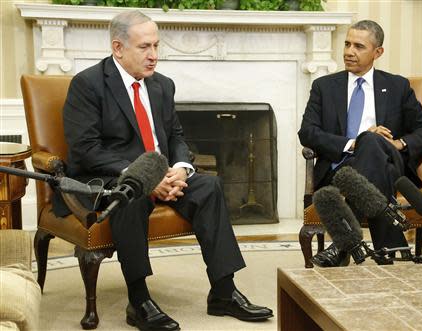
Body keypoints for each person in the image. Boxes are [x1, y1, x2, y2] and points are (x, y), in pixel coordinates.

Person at [59, 10, 272, 331]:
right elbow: (86, 151)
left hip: (163, 173)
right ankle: (139, 299)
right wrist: (146, 176)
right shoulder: (88, 85)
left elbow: (175, 137)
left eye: (157, 46)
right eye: (145, 47)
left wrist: (182, 169)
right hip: (114, 178)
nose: (154, 56)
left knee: (209, 186)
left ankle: (224, 292)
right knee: (130, 195)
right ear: (118, 47)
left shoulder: (162, 86)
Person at [298, 20, 422, 267]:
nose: (349, 51)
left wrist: (399, 143)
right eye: (347, 44)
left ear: (378, 52)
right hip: (340, 169)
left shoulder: (397, 86)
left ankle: (342, 244)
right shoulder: (324, 87)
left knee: (373, 143)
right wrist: (354, 143)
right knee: (368, 141)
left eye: (359, 46)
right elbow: (307, 132)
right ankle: (391, 248)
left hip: (389, 161)